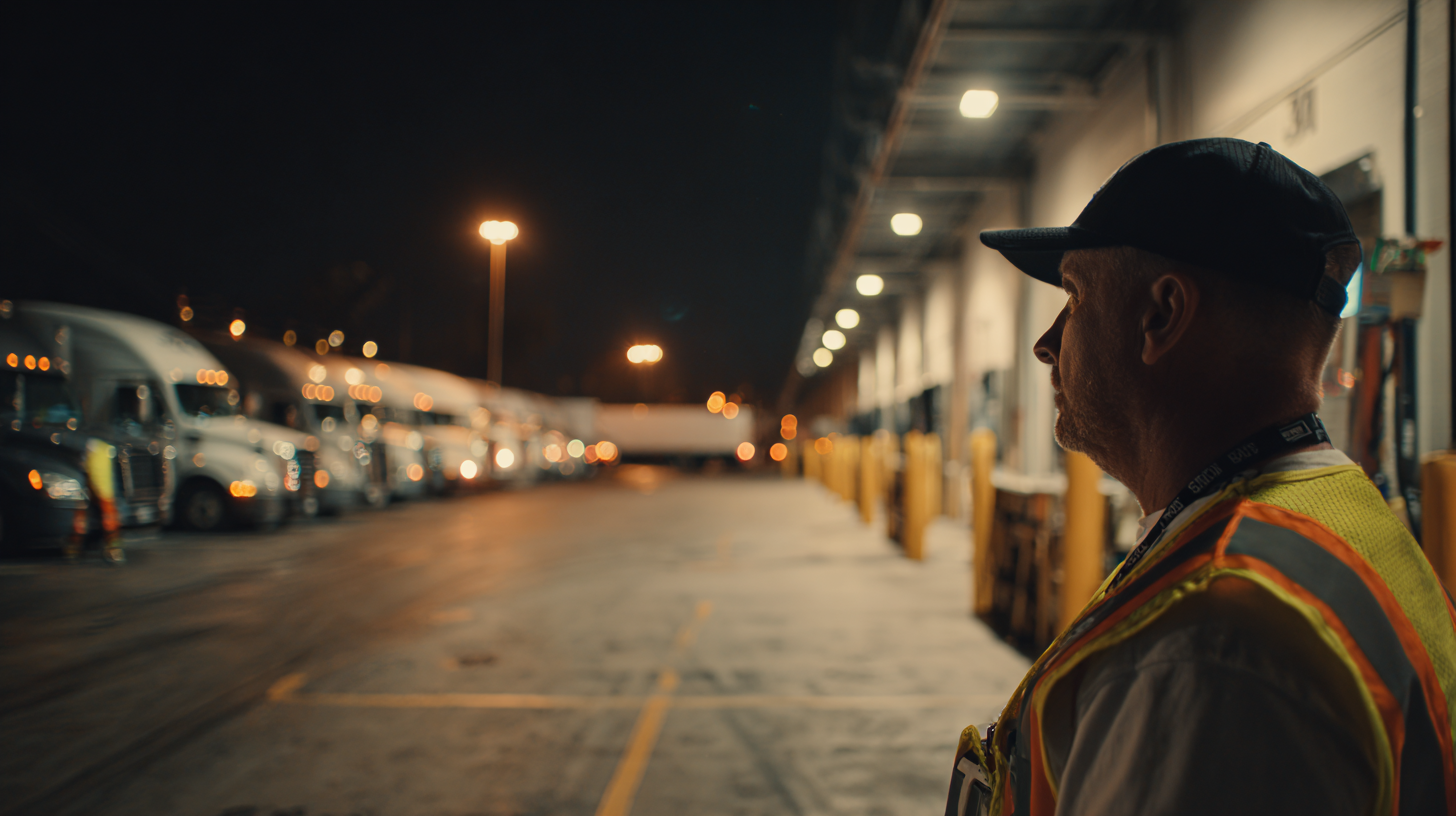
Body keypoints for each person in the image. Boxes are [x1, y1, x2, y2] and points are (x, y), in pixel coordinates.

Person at [944, 138, 1456, 816]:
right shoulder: (1344, 515)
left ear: (1161, 315)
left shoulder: (1211, 646)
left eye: (1074, 294)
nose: (1048, 343)